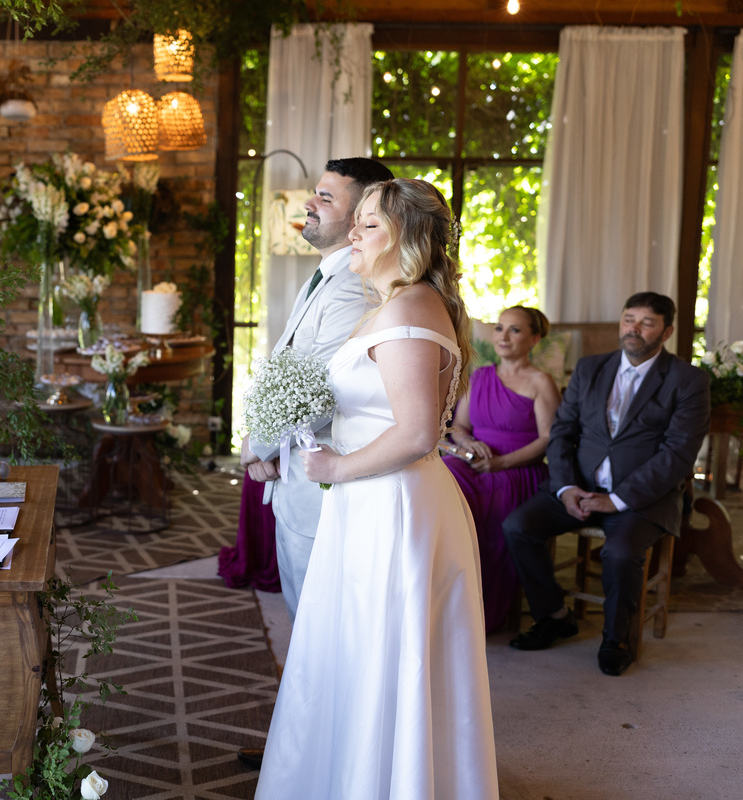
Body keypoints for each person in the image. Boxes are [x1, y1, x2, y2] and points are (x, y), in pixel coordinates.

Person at [255, 179, 498, 799]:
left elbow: (417, 432)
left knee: (383, 653)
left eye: (368, 225)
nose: (353, 234)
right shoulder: (398, 304)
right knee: (359, 652)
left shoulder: (409, 309)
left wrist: (336, 469)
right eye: (356, 221)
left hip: (392, 504)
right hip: (372, 499)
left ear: (407, 239)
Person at [236, 157, 392, 771]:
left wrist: (259, 449)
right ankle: (303, 748)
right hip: (299, 473)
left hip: (321, 482)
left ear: (360, 219)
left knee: (318, 630)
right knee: (306, 627)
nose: (310, 203)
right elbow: (289, 371)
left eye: (326, 198)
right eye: (316, 194)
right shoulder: (326, 277)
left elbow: (317, 390)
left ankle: (321, 761)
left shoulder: (352, 287)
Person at [502, 292, 710, 676]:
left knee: (619, 552)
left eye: (647, 323)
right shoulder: (590, 368)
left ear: (666, 332)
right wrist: (566, 488)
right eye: (629, 319)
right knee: (518, 526)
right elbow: (561, 433)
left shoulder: (688, 381)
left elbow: (678, 454)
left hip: (643, 498)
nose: (634, 329)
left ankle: (617, 640)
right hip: (580, 486)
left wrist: (617, 500)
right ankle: (554, 615)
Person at [444, 306, 560, 632]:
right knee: (442, 480)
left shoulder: (541, 382)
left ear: (534, 338)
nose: (503, 336)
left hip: (517, 468)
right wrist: (468, 443)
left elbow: (549, 439)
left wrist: (500, 463)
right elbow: (459, 427)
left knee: (484, 508)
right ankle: (444, 596)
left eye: (515, 330)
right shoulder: (479, 377)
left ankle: (479, 606)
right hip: (476, 461)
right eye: (499, 328)